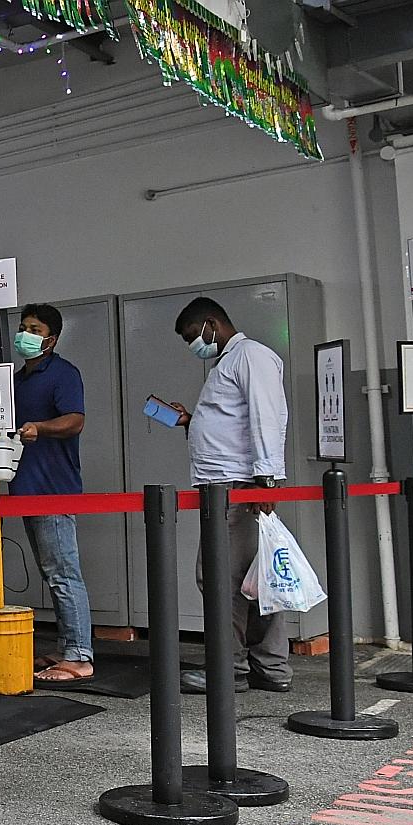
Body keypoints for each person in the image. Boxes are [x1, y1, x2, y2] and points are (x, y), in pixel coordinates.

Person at [165, 296, 291, 695]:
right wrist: (191, 421)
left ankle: (230, 669)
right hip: (233, 485)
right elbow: (232, 420)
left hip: (237, 489)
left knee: (220, 577)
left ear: (211, 324)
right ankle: (269, 667)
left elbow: (265, 417)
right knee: (257, 579)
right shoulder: (231, 361)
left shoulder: (250, 356)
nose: (193, 346)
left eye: (192, 337)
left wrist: (265, 481)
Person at [9, 303, 94, 683]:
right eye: (24, 327)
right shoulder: (16, 378)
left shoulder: (63, 374)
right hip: (26, 487)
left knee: (63, 574)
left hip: (53, 488)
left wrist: (40, 428)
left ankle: (79, 655)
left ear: (52, 338)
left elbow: (75, 420)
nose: (27, 334)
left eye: (35, 329)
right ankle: (66, 647)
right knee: (52, 571)